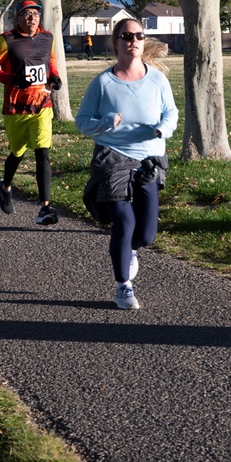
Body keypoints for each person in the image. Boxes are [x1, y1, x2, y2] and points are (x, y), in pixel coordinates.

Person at [75, 19, 178, 310]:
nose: (133, 39)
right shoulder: (103, 83)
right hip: (113, 155)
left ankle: (131, 250)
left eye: (138, 35)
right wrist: (105, 123)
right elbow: (82, 122)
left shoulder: (157, 79)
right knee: (124, 221)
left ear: (143, 41)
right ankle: (123, 286)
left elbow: (171, 113)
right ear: (116, 42)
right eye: (126, 35)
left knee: (145, 234)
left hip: (150, 157)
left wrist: (162, 129)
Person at [0, 0, 63, 225]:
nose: (32, 18)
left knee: (43, 153)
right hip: (15, 107)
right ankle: (5, 186)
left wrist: (54, 77)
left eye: (35, 14)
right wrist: (11, 78)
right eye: (27, 14)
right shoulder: (7, 39)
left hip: (42, 105)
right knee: (17, 152)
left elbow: (52, 62)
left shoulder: (47, 37)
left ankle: (45, 208)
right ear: (17, 18)